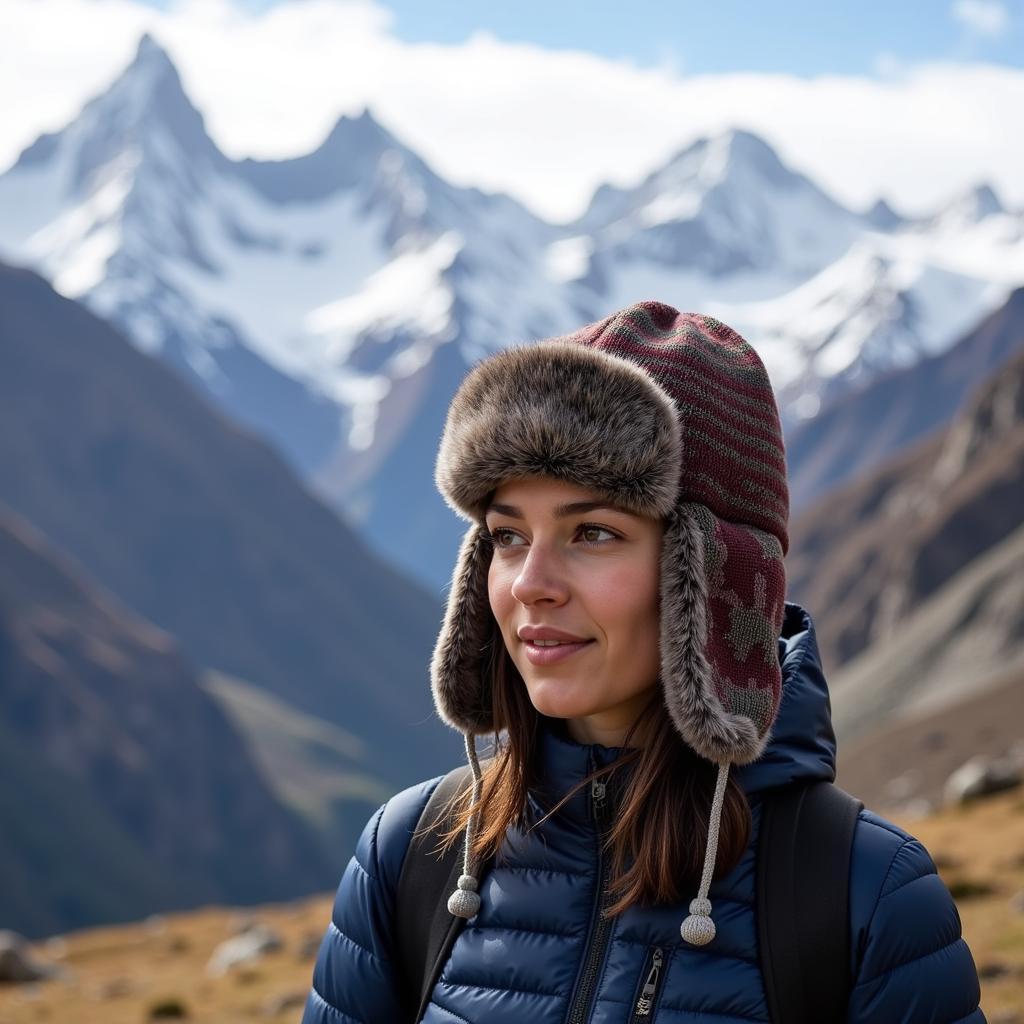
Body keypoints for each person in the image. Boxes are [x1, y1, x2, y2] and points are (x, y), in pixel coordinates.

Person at [301, 301, 985, 1023]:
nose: (531, 582)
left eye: (591, 532)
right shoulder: (410, 858)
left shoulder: (864, 895)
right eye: (506, 535)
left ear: (713, 579)